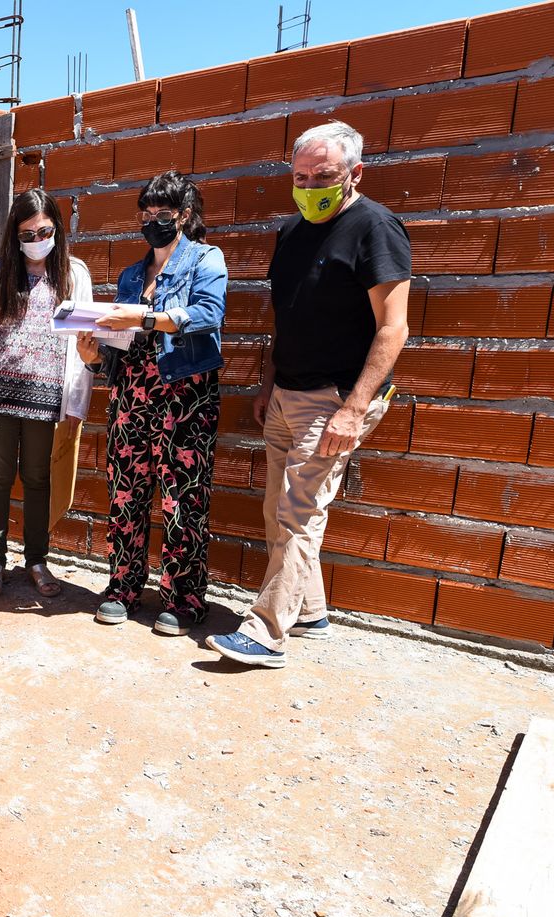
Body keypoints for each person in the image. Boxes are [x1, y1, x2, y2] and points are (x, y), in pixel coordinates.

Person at [208, 121, 411, 667]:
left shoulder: (376, 228)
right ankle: (312, 612)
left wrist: (354, 408)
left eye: (322, 176)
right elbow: (286, 314)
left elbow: (394, 328)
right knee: (280, 512)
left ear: (354, 174)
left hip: (337, 399)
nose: (308, 186)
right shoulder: (292, 231)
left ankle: (267, 633)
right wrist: (269, 383)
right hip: (286, 393)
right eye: (299, 176)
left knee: (300, 512)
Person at [75, 171, 228, 637]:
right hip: (131, 400)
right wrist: (93, 356)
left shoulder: (207, 259)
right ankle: (123, 587)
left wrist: (143, 315)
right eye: (146, 213)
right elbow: (121, 346)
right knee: (125, 496)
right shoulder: (130, 274)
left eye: (162, 213)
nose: (152, 221)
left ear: (184, 215)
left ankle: (183, 600)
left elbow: (207, 314)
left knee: (183, 500)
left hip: (185, 399)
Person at [0, 188, 93, 598]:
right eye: (27, 234)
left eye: (45, 231)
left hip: (46, 395)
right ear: (14, 235)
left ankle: (37, 559)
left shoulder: (74, 274)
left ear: (57, 228)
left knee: (38, 479)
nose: (37, 240)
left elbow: (83, 342)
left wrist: (76, 401)